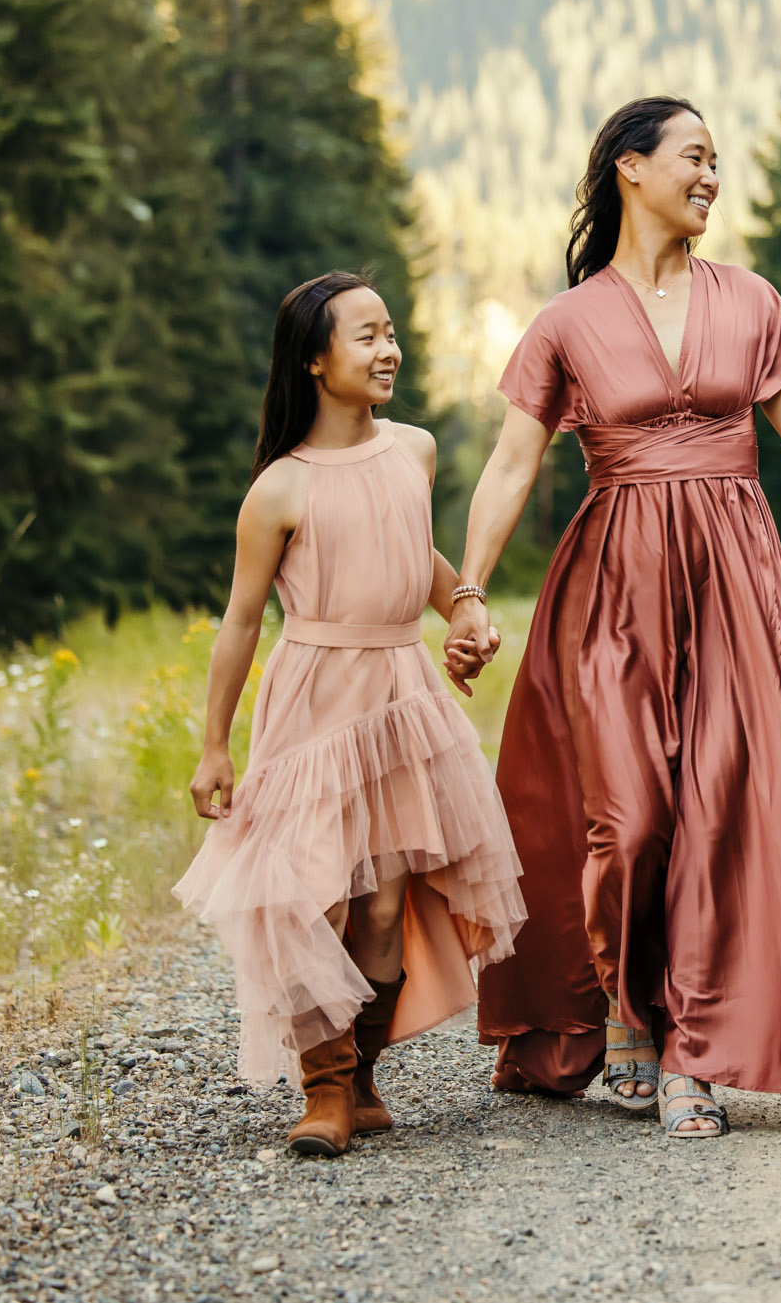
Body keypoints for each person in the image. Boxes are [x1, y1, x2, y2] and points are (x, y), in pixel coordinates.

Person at [451, 96, 781, 1139]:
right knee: (628, 816)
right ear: (630, 170)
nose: (710, 176)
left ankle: (691, 1045)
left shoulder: (750, 300)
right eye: (693, 157)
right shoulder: (567, 322)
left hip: (733, 577)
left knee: (720, 809)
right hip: (609, 587)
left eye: (716, 161)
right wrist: (467, 590)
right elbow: (511, 463)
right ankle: (622, 1009)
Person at [175, 271, 526, 1157]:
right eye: (365, 336)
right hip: (312, 702)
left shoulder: (414, 449)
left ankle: (363, 1077)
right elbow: (242, 622)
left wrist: (468, 609)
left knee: (380, 907)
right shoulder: (279, 489)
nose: (388, 351)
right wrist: (214, 745)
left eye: (391, 332)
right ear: (314, 360)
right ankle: (321, 1087)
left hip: (402, 696)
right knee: (305, 895)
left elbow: (424, 556)